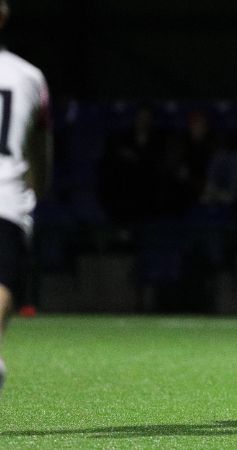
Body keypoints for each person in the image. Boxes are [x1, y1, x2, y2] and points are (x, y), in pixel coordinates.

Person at [0, 0, 53, 391]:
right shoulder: (28, 75)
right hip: (6, 193)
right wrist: (40, 181)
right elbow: (41, 142)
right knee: (3, 283)